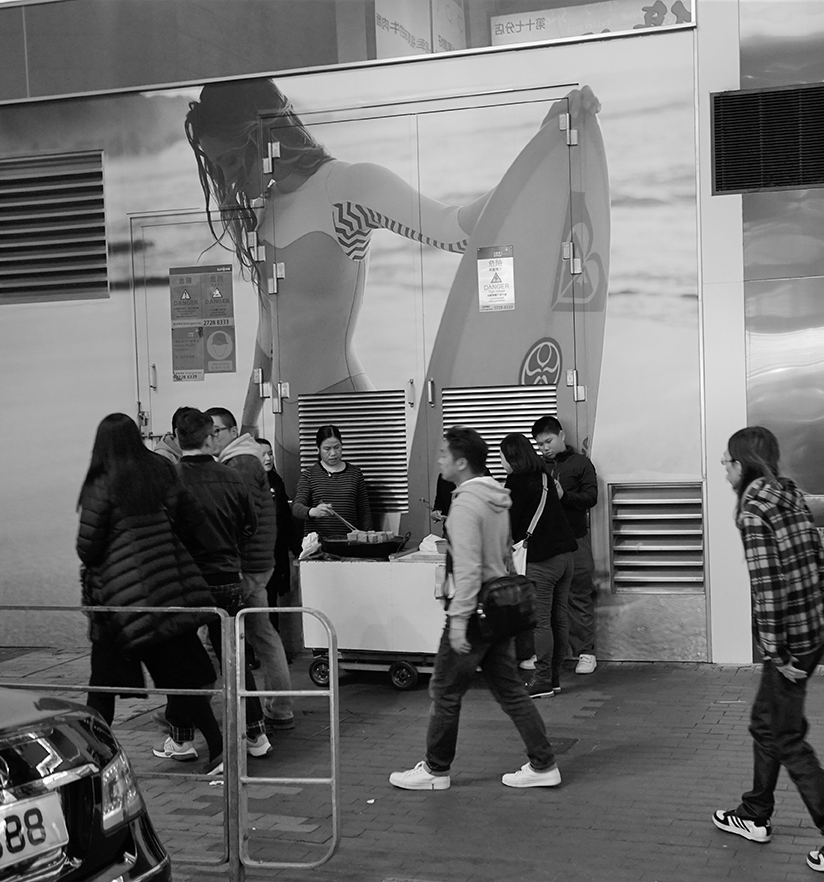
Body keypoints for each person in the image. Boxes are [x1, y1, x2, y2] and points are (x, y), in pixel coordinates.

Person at [185, 79, 600, 497]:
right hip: (285, 430)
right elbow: (268, 331)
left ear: (262, 137)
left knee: (369, 547)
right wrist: (250, 420)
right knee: (304, 555)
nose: (226, 177)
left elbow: (458, 231)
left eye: (232, 160)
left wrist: (543, 148)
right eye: (217, 165)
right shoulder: (268, 210)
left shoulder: (347, 188)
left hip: (347, 416)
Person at [710, 426, 824, 872]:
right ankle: (755, 812)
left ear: (742, 465)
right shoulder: (792, 496)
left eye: (726, 461)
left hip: (790, 643)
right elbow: (821, 567)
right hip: (810, 634)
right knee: (766, 722)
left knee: (786, 736)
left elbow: (768, 587)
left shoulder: (753, 510)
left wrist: (777, 653)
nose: (724, 468)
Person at [388, 426, 560, 791]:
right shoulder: (497, 497)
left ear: (462, 462)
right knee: (511, 691)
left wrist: (457, 622)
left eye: (444, 455)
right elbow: (501, 555)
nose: (440, 461)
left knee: (445, 691)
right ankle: (543, 764)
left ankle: (436, 770)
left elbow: (466, 571)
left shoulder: (465, 504)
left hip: (473, 613)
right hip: (497, 610)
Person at [76, 413, 224, 773]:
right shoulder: (160, 470)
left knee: (104, 683)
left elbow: (88, 547)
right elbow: (190, 518)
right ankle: (219, 751)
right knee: (181, 679)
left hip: (121, 602)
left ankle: (90, 759)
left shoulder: (102, 481)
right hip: (167, 592)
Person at [154, 408, 275, 761]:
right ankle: (256, 736)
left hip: (184, 584)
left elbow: (163, 534)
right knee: (235, 660)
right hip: (228, 581)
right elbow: (249, 526)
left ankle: (181, 740)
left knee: (181, 663)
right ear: (210, 438)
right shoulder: (232, 477)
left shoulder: (169, 480)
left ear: (176, 437)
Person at [208, 408, 294, 731]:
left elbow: (238, 517)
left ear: (231, 431)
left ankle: (190, 712)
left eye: (215, 431)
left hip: (247, 566)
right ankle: (279, 707)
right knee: (261, 635)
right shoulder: (245, 459)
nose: (211, 437)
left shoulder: (240, 463)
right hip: (258, 563)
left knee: (237, 638)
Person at [500, 433, 577, 698]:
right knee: (559, 618)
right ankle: (554, 678)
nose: (500, 462)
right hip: (566, 557)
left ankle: (542, 680)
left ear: (511, 457)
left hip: (542, 561)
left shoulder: (515, 483)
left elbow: (508, 525)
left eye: (502, 456)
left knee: (541, 623)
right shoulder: (545, 476)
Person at [531, 416, 599, 675]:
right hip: (546, 544)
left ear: (561, 435)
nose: (544, 448)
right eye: (539, 445)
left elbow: (591, 497)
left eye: (548, 441)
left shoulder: (581, 464)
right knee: (545, 601)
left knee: (579, 595)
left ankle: (586, 653)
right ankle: (550, 654)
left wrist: (563, 496)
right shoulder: (538, 467)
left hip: (576, 540)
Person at [258, 437, 305, 660]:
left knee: (271, 604)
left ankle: (273, 653)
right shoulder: (247, 484)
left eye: (270, 454)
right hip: (256, 558)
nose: (268, 458)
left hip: (275, 556)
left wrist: (299, 549)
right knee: (257, 608)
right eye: (262, 454)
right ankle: (253, 653)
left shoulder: (276, 481)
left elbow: (285, 521)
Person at [293, 424, 371, 539]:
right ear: (318, 449)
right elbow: (297, 508)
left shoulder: (355, 473)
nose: (333, 453)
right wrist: (313, 511)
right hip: (319, 544)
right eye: (327, 449)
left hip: (350, 541)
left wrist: (368, 535)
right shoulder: (309, 474)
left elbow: (364, 510)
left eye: (337, 447)